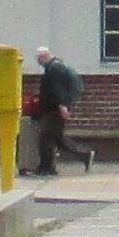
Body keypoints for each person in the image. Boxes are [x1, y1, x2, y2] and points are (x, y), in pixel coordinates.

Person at [31, 45, 83, 176]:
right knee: (57, 139)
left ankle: (46, 168)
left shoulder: (54, 68)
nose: (38, 62)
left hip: (53, 110)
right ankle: (85, 155)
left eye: (38, 59)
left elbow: (57, 89)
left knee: (45, 138)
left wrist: (63, 106)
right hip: (53, 109)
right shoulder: (55, 66)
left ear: (44, 56)